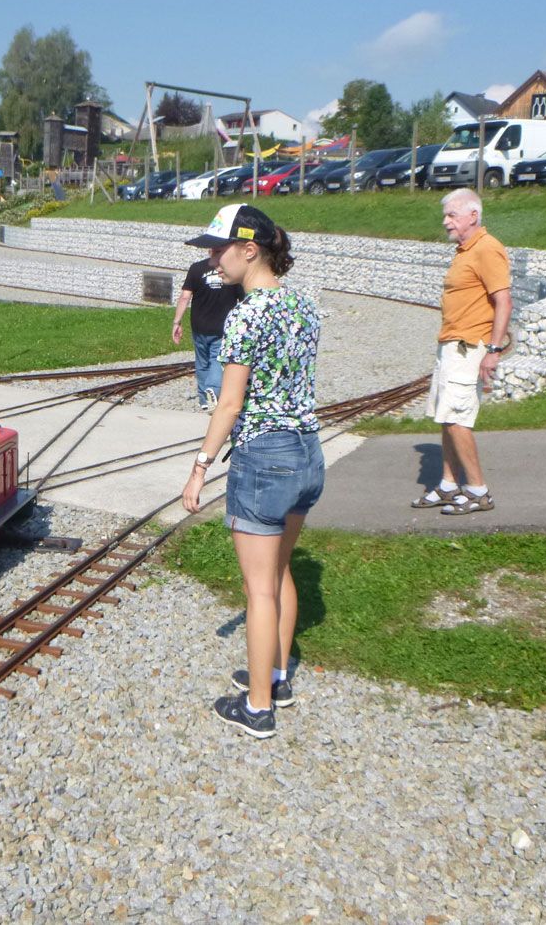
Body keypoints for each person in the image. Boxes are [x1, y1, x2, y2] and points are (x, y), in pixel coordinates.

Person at [182, 204, 323, 739]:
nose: (212, 258)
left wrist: (199, 467)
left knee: (258, 589)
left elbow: (230, 403)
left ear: (250, 249)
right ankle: (278, 677)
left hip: (264, 458)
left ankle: (258, 708)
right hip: (308, 452)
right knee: (281, 572)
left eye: (218, 248)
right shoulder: (304, 306)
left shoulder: (246, 314)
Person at [410, 188, 512, 516]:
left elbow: (503, 302)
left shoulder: (487, 249)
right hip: (452, 344)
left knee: (457, 417)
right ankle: (450, 485)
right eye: (446, 216)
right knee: (446, 417)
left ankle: (479, 491)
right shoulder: (464, 250)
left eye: (452, 215)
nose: (446, 222)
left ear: (473, 216)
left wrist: (493, 350)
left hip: (469, 346)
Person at [172, 254, 245, 411]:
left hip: (199, 325)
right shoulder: (231, 271)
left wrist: (177, 322)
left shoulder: (196, 268)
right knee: (216, 360)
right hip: (222, 326)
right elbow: (243, 299)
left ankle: (204, 400)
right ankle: (213, 390)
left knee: (202, 362)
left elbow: (185, 297)